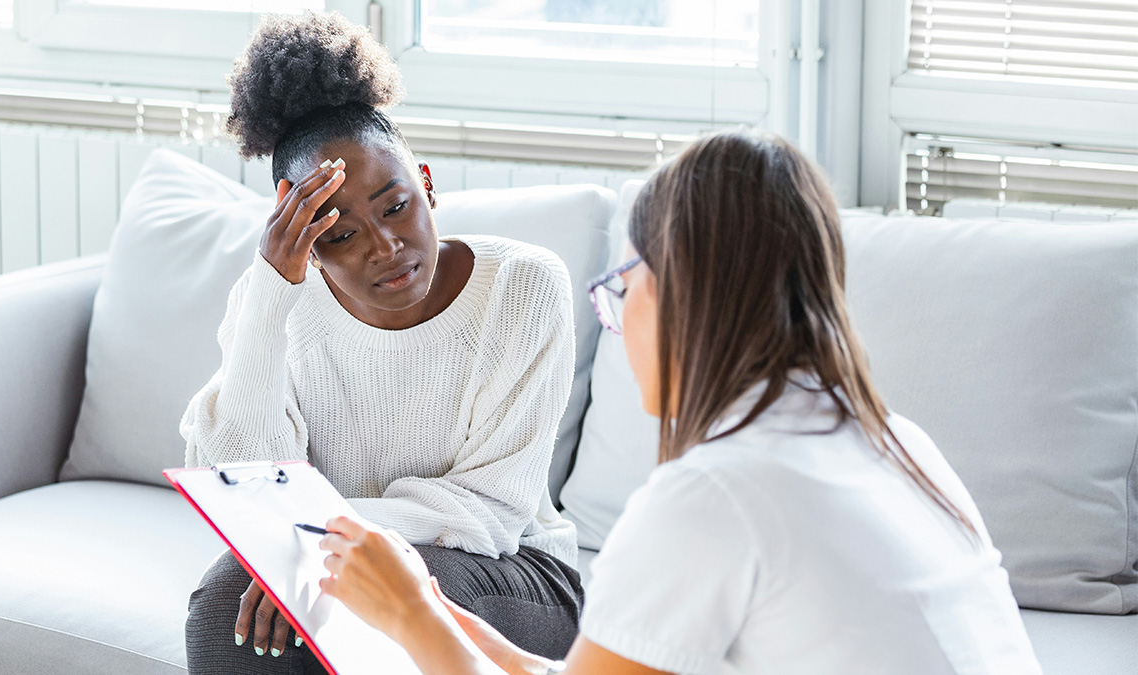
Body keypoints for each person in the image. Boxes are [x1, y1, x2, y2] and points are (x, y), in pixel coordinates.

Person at [313, 128, 1044, 674]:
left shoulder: (713, 496)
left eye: (624, 290)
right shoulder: (899, 446)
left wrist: (409, 617)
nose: (621, 314)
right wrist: (449, 618)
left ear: (676, 293)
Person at [179, 11, 582, 674]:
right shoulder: (273, 305)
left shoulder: (522, 286)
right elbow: (248, 478)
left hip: (513, 568)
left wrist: (312, 545)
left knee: (401, 590)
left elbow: (491, 508)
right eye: (340, 234)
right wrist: (271, 290)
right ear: (301, 229)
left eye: (396, 206)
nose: (385, 247)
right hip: (343, 554)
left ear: (424, 181)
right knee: (232, 603)